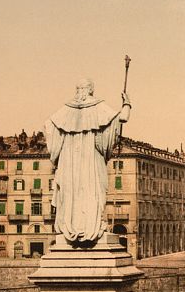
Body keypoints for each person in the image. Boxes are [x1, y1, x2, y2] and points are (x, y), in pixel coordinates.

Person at [45, 78, 131, 245]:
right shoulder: (99, 107)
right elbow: (123, 118)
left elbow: (49, 126)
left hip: (69, 162)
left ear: (78, 90)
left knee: (71, 194)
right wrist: (127, 103)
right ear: (91, 90)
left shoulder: (65, 110)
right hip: (92, 159)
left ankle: (72, 227)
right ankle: (92, 226)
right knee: (94, 191)